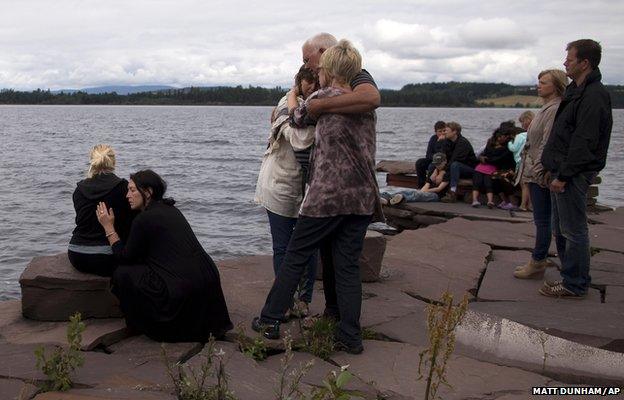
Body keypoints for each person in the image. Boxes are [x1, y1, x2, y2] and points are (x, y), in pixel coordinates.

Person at [252, 40, 383, 354]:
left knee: (295, 255)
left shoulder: (323, 97)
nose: (316, 73)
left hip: (327, 197)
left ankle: (269, 319)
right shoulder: (363, 106)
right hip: (362, 195)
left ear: (331, 71)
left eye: (320, 69)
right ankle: (350, 335)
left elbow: (295, 119)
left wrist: (296, 94)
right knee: (348, 265)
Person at [96, 170, 233, 341]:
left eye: (132, 190)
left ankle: (139, 324)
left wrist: (108, 227)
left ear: (148, 192)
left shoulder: (143, 219)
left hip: (182, 293)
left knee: (122, 274)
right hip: (208, 282)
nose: (127, 195)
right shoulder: (171, 210)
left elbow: (124, 257)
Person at [539, 39, 612, 298]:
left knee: (573, 230)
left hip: (573, 174)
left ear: (584, 63)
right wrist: (551, 167)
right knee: (561, 229)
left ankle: (575, 283)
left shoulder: (594, 95)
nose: (564, 63)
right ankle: (570, 277)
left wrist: (564, 175)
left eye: (569, 59)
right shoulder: (575, 91)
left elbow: (584, 141)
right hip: (560, 170)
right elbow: (563, 134)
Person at [255, 66, 319, 314]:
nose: (312, 85)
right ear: (299, 81)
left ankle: (304, 300)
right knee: (282, 246)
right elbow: (296, 137)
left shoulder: (321, 104)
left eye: (316, 80)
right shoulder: (287, 102)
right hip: (280, 184)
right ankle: (285, 301)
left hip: (309, 186)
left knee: (309, 247)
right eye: (307, 80)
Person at [513, 69, 568, 279]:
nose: (539, 85)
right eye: (539, 81)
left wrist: (538, 170)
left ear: (556, 85)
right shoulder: (545, 108)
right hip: (535, 170)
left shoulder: (554, 109)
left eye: (544, 82)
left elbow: (547, 143)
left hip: (541, 172)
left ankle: (539, 261)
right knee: (542, 220)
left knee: (545, 221)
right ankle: (538, 259)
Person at [68, 144, 134, 277]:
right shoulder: (123, 188)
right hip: (109, 256)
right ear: (113, 162)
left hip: (76, 254)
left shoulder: (79, 190)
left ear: (92, 161)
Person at [381, 152, 449, 204]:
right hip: (427, 192)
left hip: (436, 196)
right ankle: (387, 196)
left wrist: (424, 192)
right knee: (408, 192)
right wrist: (422, 191)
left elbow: (439, 189)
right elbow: (427, 184)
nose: (438, 166)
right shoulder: (433, 172)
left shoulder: (447, 173)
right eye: (436, 164)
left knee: (417, 196)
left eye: (439, 164)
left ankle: (402, 198)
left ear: (445, 161)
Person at [470, 129, 515, 208]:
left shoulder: (507, 147)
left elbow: (498, 159)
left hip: (503, 168)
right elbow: (483, 153)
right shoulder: (490, 143)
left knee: (494, 180)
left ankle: (509, 202)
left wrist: (486, 160)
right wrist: (481, 158)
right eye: (498, 137)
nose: (499, 139)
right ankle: (503, 200)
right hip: (488, 166)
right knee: (482, 180)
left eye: (502, 137)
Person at [439, 122, 478, 202]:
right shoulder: (447, 141)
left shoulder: (463, 143)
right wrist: (437, 171)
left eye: (446, 130)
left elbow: (454, 159)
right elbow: (442, 157)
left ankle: (452, 193)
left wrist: (443, 171)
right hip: (454, 167)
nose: (444, 132)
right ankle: (429, 189)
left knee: (454, 165)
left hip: (469, 169)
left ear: (454, 132)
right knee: (431, 165)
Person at [415, 121, 447, 188]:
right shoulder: (433, 138)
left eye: (444, 131)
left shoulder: (448, 139)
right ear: (436, 132)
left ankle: (429, 186)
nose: (442, 133)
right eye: (440, 131)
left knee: (431, 166)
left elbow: (444, 154)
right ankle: (421, 186)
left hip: (444, 162)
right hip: (433, 159)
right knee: (419, 163)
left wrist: (441, 142)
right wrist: (435, 158)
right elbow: (428, 154)